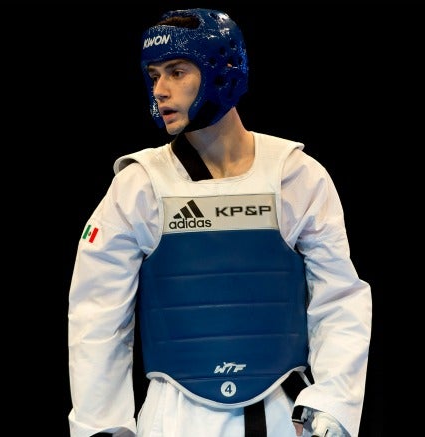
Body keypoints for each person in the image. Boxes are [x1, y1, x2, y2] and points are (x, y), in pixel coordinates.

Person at [67, 8, 372, 437]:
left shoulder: (296, 175)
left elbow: (339, 298)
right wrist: (100, 425)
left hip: (285, 413)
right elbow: (96, 315)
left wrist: (333, 402)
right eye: (153, 76)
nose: (160, 90)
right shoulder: (138, 186)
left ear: (221, 69)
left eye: (176, 72)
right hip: (174, 416)